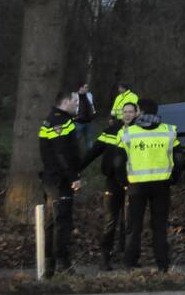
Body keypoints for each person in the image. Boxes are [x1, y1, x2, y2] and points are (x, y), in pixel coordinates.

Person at [119, 98, 178, 272]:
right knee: (159, 226)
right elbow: (179, 157)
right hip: (161, 185)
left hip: (136, 186)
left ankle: (130, 263)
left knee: (134, 226)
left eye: (136, 110)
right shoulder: (169, 130)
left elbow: (117, 161)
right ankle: (162, 265)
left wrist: (124, 181)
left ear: (141, 112)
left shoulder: (128, 132)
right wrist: (174, 178)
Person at [80, 101, 137, 270]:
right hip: (113, 181)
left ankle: (129, 257)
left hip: (133, 181)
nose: (127, 114)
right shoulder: (110, 131)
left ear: (136, 114)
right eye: (125, 112)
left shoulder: (140, 132)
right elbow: (93, 152)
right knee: (110, 220)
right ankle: (105, 257)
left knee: (130, 221)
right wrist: (75, 169)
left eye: (131, 112)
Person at [38, 89, 83, 278]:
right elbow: (61, 153)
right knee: (62, 222)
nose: (77, 105)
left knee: (51, 222)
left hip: (52, 178)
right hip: (60, 180)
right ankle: (63, 265)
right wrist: (73, 177)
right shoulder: (61, 122)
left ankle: (50, 267)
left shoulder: (51, 119)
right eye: (75, 101)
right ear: (65, 102)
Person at [74, 81, 96, 155]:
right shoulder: (74, 96)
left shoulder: (89, 95)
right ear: (81, 88)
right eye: (85, 87)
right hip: (78, 122)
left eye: (87, 87)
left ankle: (90, 155)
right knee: (76, 139)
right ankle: (75, 154)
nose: (87, 89)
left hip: (88, 122)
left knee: (89, 139)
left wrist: (93, 114)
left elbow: (92, 105)